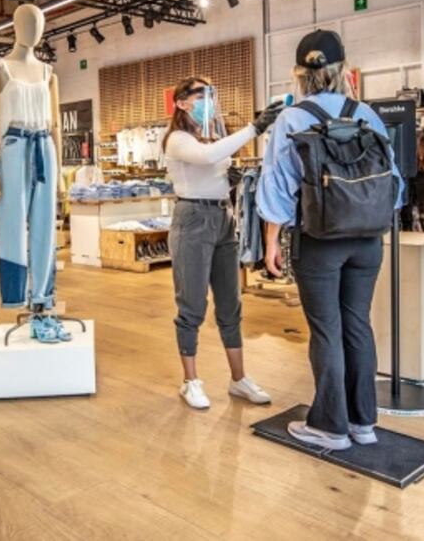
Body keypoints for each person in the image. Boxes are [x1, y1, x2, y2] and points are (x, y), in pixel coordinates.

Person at [257, 30, 403, 450]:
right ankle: (363, 422)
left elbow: (277, 189)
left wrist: (271, 242)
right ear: (343, 70)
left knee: (326, 329)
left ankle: (330, 426)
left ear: (300, 73)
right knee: (358, 324)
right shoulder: (368, 115)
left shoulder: (293, 118)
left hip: (319, 239)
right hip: (368, 239)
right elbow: (393, 182)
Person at [164, 76, 283, 409]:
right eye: (201, 94)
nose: (208, 99)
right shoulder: (177, 139)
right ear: (182, 102)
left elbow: (213, 160)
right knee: (192, 305)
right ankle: (190, 381)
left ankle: (238, 379)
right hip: (193, 220)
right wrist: (253, 128)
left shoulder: (210, 135)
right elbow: (205, 157)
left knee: (231, 303)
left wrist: (226, 180)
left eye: (211, 93)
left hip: (222, 218)